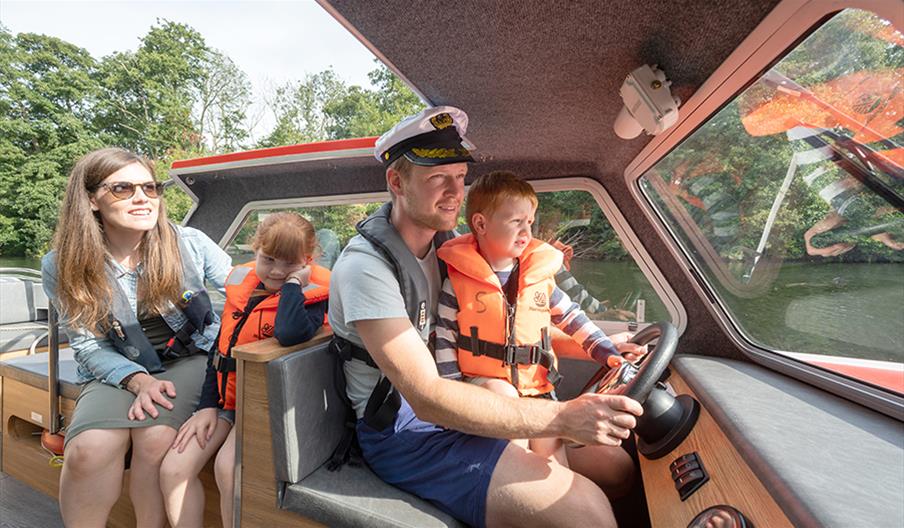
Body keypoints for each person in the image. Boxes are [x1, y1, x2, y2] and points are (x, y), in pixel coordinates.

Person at [328, 106, 644, 528]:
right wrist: (563, 416)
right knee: (587, 512)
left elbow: (503, 329)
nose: (455, 191)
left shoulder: (454, 248)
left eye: (459, 177)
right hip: (408, 433)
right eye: (438, 177)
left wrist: (596, 350)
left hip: (467, 398)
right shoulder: (366, 268)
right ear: (396, 181)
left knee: (619, 471)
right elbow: (424, 397)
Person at [41, 147, 233, 528]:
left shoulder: (189, 243)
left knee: (157, 438)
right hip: (117, 363)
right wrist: (137, 379)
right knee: (88, 451)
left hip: (192, 356)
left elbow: (242, 295)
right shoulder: (61, 264)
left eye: (150, 187)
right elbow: (88, 343)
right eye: (123, 189)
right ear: (92, 199)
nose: (143, 197)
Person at [434, 170, 644, 468]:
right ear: (480, 224)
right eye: (516, 222)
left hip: (536, 388)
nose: (526, 232)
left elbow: (573, 317)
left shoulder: (539, 277)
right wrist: (451, 397)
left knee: (553, 454)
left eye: (529, 222)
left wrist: (603, 349)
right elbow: (444, 337)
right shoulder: (456, 281)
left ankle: (560, 495)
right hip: (483, 386)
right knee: (502, 395)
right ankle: (510, 480)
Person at [159, 212, 329, 528]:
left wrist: (293, 285)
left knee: (228, 468)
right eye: (269, 259)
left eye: (290, 264)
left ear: (306, 261)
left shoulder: (312, 297)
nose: (277, 270)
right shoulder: (242, 287)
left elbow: (291, 332)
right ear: (255, 251)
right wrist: (207, 406)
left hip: (261, 409)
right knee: (174, 469)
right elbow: (220, 350)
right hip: (226, 402)